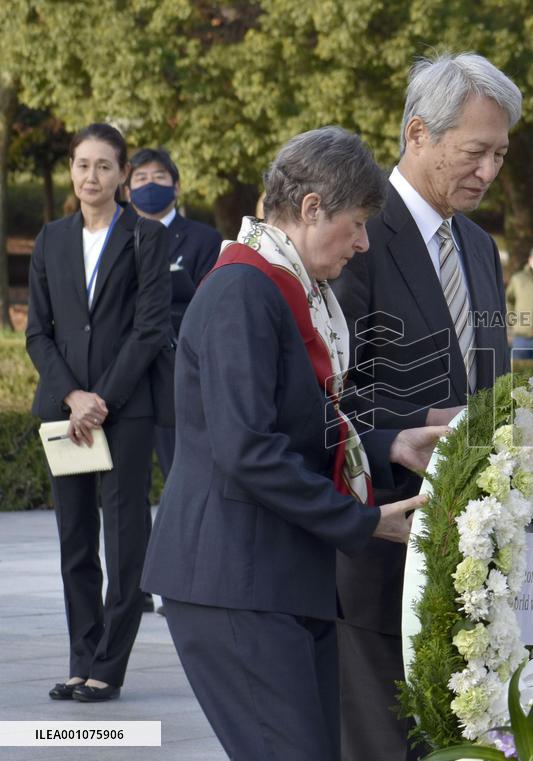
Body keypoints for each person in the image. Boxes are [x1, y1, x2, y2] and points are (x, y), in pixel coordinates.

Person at [141, 127, 447, 761]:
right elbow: (247, 448)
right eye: (358, 223)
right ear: (312, 208)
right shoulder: (241, 290)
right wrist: (361, 522)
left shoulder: (281, 287)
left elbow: (294, 424)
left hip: (276, 577)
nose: (363, 243)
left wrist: (389, 443)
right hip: (235, 580)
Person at [330, 52, 521, 760]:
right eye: (476, 151)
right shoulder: (356, 237)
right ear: (418, 133)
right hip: (379, 547)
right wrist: (399, 435)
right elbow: (326, 393)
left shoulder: (480, 247)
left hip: (465, 557)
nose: (489, 170)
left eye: (500, 153)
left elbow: (488, 384)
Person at [26, 123, 171, 702]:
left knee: (125, 538)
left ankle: (108, 665)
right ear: (71, 170)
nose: (92, 176)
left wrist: (101, 397)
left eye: (104, 166)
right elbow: (39, 333)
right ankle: (80, 658)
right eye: (83, 165)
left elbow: (150, 328)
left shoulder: (145, 237)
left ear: (121, 175)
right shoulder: (50, 239)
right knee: (75, 540)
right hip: (66, 415)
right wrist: (72, 397)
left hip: (125, 412)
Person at [127, 147, 223, 481]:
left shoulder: (205, 239)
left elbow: (209, 302)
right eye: (140, 178)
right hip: (125, 371)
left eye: (158, 177)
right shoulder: (118, 238)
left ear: (176, 186)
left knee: (181, 474)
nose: (149, 185)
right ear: (127, 190)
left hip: (176, 367)